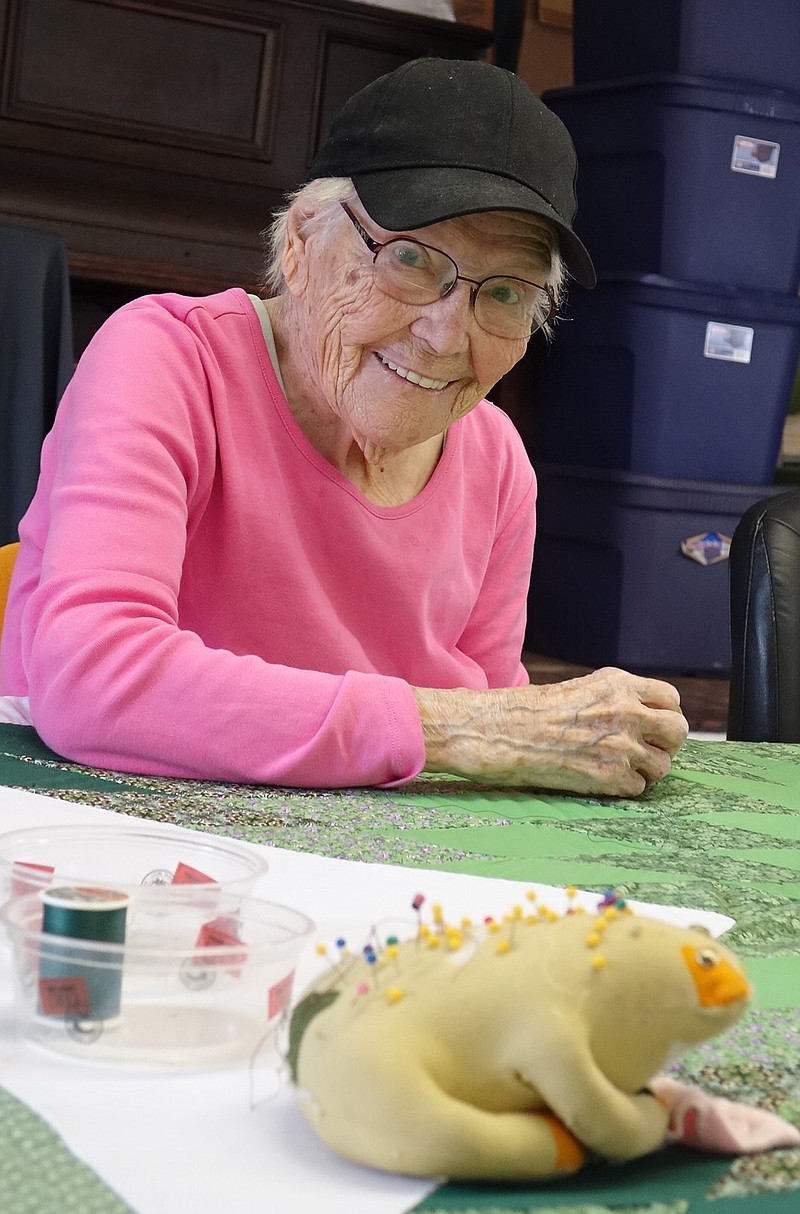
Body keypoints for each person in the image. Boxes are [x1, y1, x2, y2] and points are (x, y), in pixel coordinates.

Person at [0, 58, 687, 795]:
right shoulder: (167, 361)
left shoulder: (495, 461)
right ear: (300, 242)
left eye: (506, 293)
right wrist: (459, 728)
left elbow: (503, 750)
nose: (444, 334)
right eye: (411, 258)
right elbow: (95, 677)